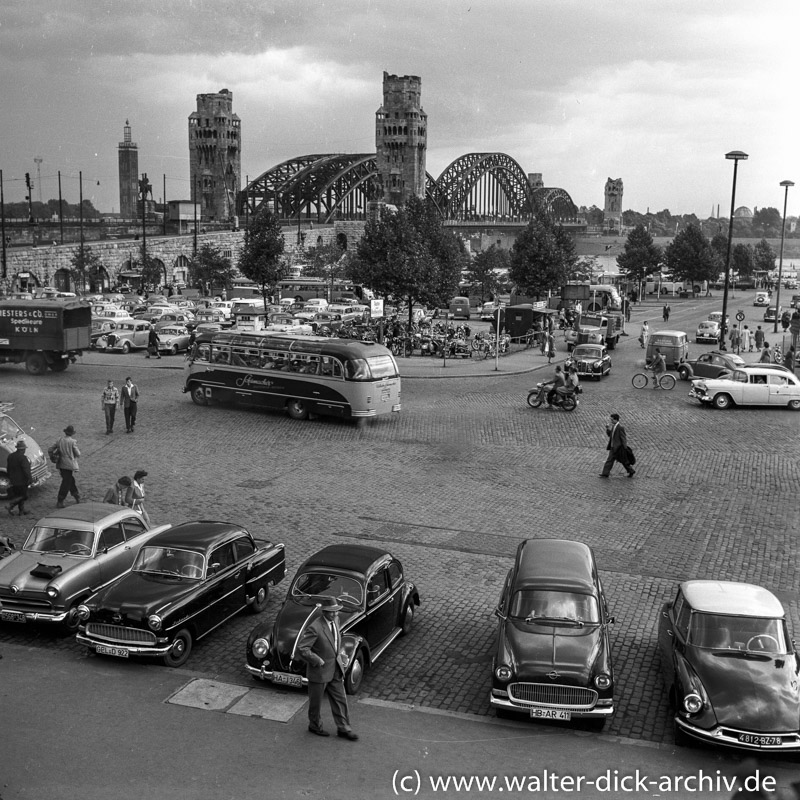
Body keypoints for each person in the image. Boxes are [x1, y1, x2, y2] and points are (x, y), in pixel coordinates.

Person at [297, 597, 358, 741]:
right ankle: (314, 725)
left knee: (340, 699)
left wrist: (340, 655)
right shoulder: (315, 627)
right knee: (316, 702)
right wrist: (316, 660)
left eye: (336, 611)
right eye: (331, 612)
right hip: (320, 671)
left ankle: (344, 728)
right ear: (324, 612)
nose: (335, 614)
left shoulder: (335, 620)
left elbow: (336, 640)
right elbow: (302, 648)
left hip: (335, 668)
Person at [599, 413, 635, 478]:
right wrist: (607, 429)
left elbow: (623, 438)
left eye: (612, 419)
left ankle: (631, 471)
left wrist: (624, 448)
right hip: (613, 448)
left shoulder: (620, 428)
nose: (611, 421)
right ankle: (605, 473)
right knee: (609, 460)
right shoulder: (613, 426)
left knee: (623, 461)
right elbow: (610, 435)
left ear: (616, 420)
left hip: (618, 448)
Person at [55, 425, 81, 508]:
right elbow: (78, 454)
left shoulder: (59, 440)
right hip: (69, 464)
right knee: (66, 482)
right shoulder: (72, 442)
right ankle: (61, 499)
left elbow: (51, 449)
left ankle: (76, 494)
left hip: (61, 464)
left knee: (69, 479)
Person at [6, 440, 32, 516]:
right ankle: (11, 505)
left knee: (19, 495)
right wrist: (30, 479)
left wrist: (10, 477)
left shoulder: (10, 456)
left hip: (13, 480)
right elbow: (26, 470)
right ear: (23, 449)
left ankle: (21, 511)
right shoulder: (23, 458)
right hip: (22, 481)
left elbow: (8, 468)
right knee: (24, 496)